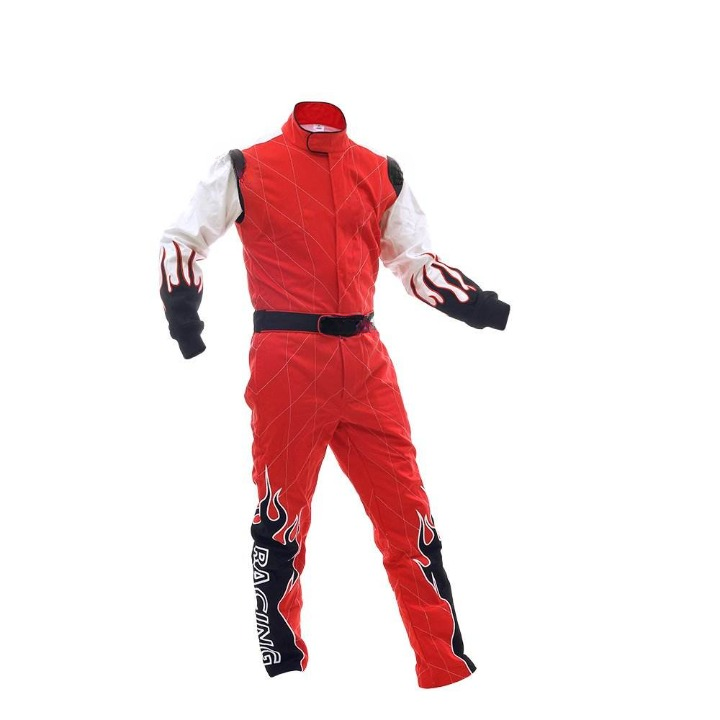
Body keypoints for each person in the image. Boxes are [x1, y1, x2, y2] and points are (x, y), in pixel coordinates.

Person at [158, 100, 510, 688]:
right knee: (281, 516)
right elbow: (183, 238)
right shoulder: (247, 166)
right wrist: (185, 322)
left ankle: (444, 664)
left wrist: (487, 310)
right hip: (286, 360)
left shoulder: (379, 172)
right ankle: (285, 669)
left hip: (367, 360)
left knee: (409, 514)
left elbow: (414, 262)